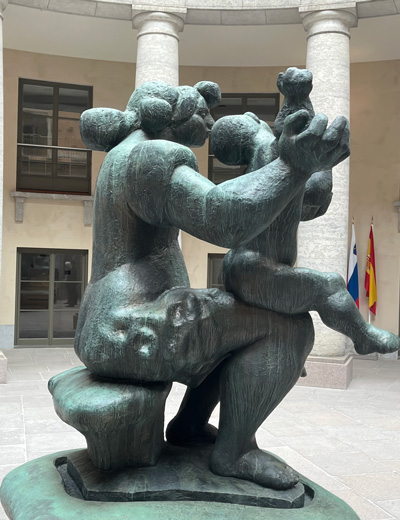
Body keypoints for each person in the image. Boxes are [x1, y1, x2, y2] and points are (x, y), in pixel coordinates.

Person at [75, 78, 349, 490]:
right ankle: (234, 453)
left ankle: (189, 425)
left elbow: (284, 204)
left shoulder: (125, 154)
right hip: (127, 324)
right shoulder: (151, 156)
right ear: (170, 118)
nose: (210, 122)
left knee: (239, 313)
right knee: (287, 327)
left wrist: (296, 171)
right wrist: (293, 165)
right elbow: (221, 218)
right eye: (202, 113)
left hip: (117, 320)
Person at [209, 68, 400, 357]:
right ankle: (362, 335)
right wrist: (297, 96)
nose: (260, 120)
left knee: (304, 296)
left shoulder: (261, 163)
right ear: (248, 126)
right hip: (253, 269)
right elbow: (312, 175)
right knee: (328, 285)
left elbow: (312, 203)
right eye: (254, 119)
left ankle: (280, 346)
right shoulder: (266, 153)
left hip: (248, 267)